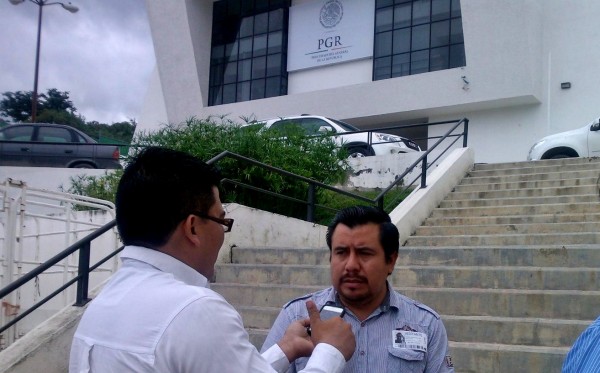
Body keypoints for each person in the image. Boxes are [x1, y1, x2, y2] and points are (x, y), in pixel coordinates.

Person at [69, 146, 355, 373]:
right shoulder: (195, 310)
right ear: (193, 227)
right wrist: (329, 352)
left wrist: (285, 349)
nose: (223, 232)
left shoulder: (102, 304)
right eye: (221, 220)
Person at [261, 205, 454, 372]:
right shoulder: (295, 317)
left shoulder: (426, 324)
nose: (351, 265)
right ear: (330, 257)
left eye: (364, 253)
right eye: (341, 252)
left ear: (391, 260)